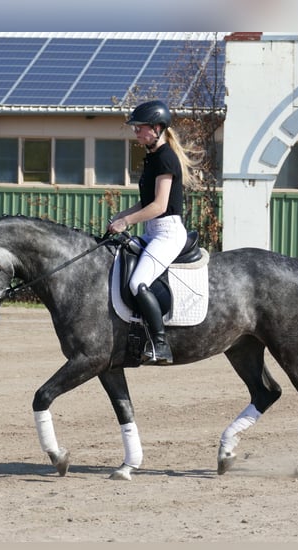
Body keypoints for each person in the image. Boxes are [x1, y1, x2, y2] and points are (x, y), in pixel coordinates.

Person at [107, 100, 200, 364]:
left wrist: (127, 223)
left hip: (168, 233)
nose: (136, 132)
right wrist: (121, 215)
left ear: (157, 128)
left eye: (140, 128)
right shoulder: (151, 158)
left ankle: (161, 344)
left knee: (138, 283)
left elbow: (159, 206)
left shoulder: (165, 158)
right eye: (135, 128)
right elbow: (146, 203)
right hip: (153, 231)